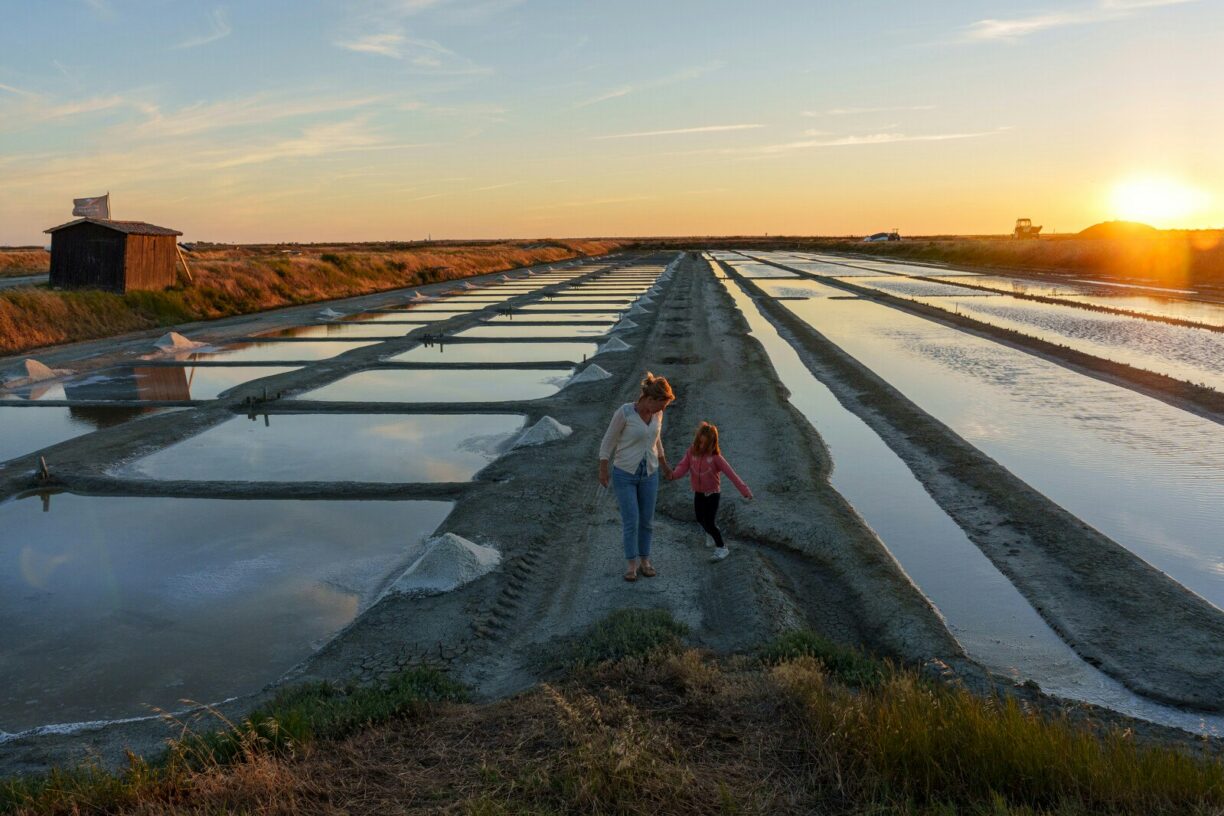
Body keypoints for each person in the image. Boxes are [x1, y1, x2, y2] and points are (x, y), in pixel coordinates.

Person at [599, 372, 675, 582]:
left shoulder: (657, 414)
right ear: (649, 399)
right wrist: (603, 469)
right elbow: (608, 442)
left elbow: (656, 440)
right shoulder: (624, 413)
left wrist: (665, 466)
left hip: (649, 474)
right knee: (631, 520)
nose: (662, 410)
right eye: (661, 405)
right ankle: (631, 565)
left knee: (647, 522)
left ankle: (645, 561)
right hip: (624, 474)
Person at [669, 421, 753, 562]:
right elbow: (682, 466)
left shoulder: (716, 458)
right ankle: (709, 532)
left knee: (709, 521)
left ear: (712, 443)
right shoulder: (691, 452)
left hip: (713, 494)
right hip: (698, 493)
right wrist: (673, 475)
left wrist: (745, 491)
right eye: (699, 442)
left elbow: (732, 474)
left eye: (705, 444)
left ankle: (722, 548)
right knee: (699, 519)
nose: (701, 446)